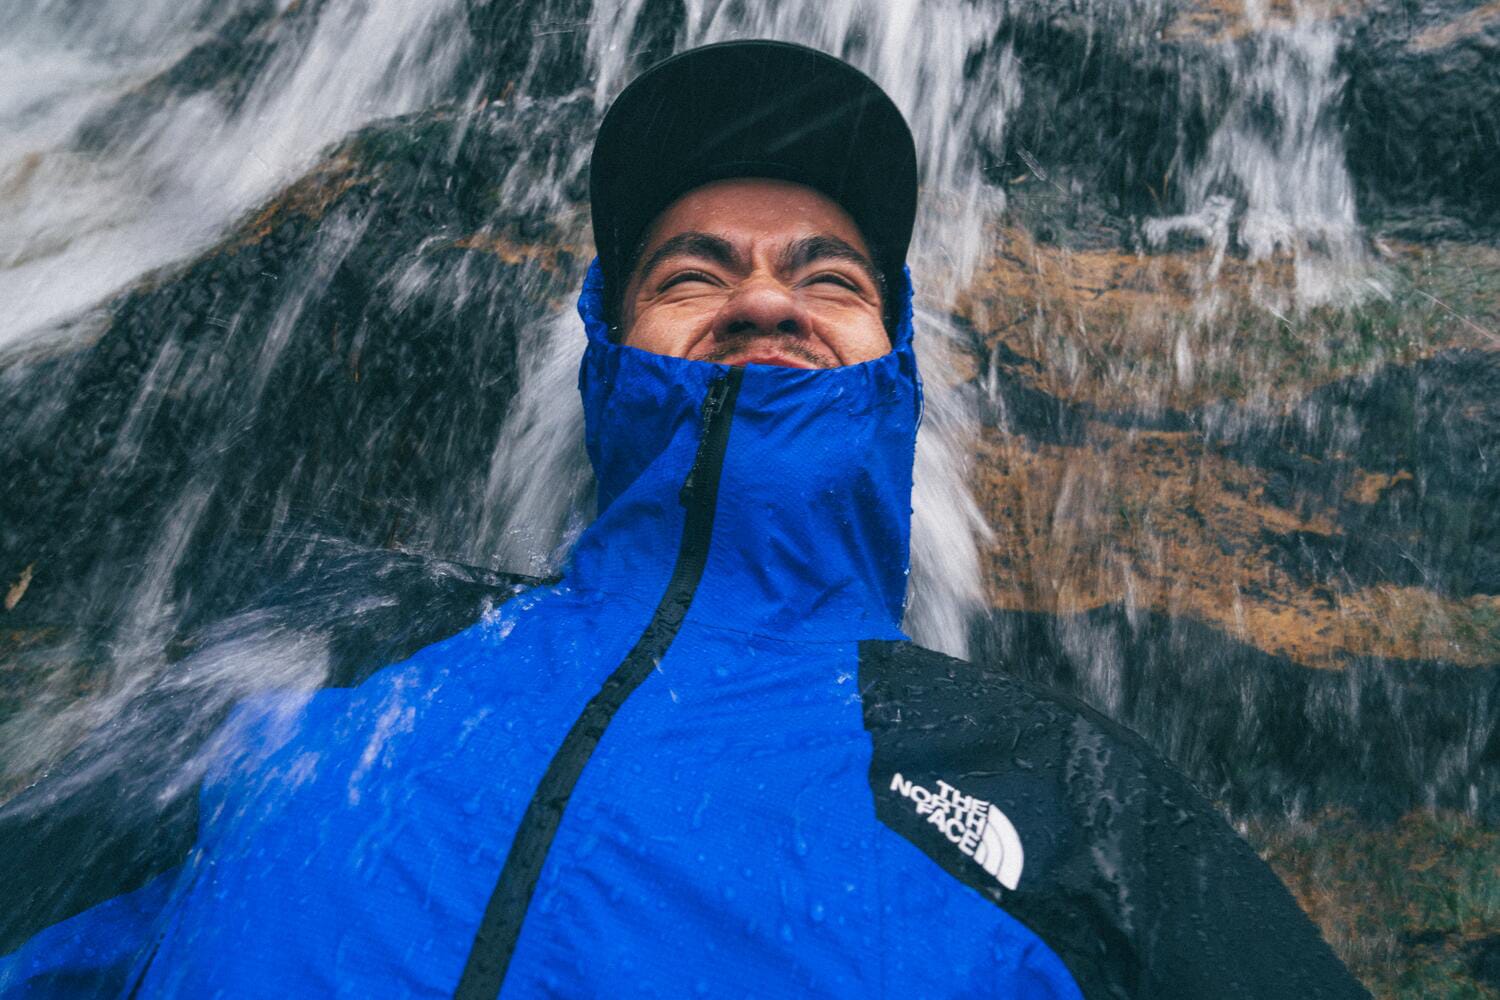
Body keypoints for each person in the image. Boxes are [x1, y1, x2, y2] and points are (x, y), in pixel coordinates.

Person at [1, 41, 1367, 999]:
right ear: (605, 353)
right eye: (695, 270)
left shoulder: (1062, 786)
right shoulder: (328, 637)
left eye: (827, 276)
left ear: (894, 366)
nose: (765, 299)